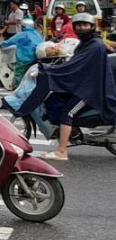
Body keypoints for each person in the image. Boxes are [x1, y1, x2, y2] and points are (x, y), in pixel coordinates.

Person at [18, 13, 116, 161]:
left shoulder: (95, 45)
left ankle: (62, 151)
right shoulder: (85, 43)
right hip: (84, 84)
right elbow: (74, 62)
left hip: (91, 90)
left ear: (92, 26)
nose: (81, 28)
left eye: (85, 25)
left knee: (67, 113)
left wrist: (47, 70)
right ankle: (67, 135)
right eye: (78, 25)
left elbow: (76, 65)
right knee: (54, 100)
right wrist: (53, 66)